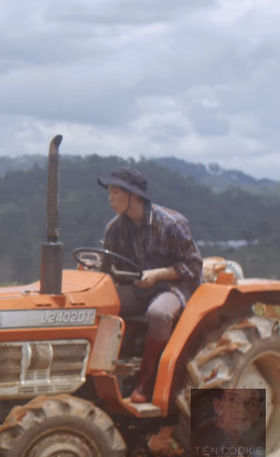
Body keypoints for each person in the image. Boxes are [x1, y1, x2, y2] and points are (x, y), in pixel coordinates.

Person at [98, 168, 202, 404]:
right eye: (110, 192)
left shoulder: (171, 223)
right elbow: (108, 267)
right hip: (139, 287)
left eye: (115, 192)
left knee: (158, 313)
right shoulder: (114, 229)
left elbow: (193, 266)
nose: (110, 198)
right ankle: (103, 371)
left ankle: (147, 379)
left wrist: (158, 274)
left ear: (133, 196)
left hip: (175, 287)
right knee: (98, 304)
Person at [190, 388, 266, 456]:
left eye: (250, 403)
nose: (241, 409)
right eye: (233, 399)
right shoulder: (208, 441)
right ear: (217, 405)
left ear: (257, 413)